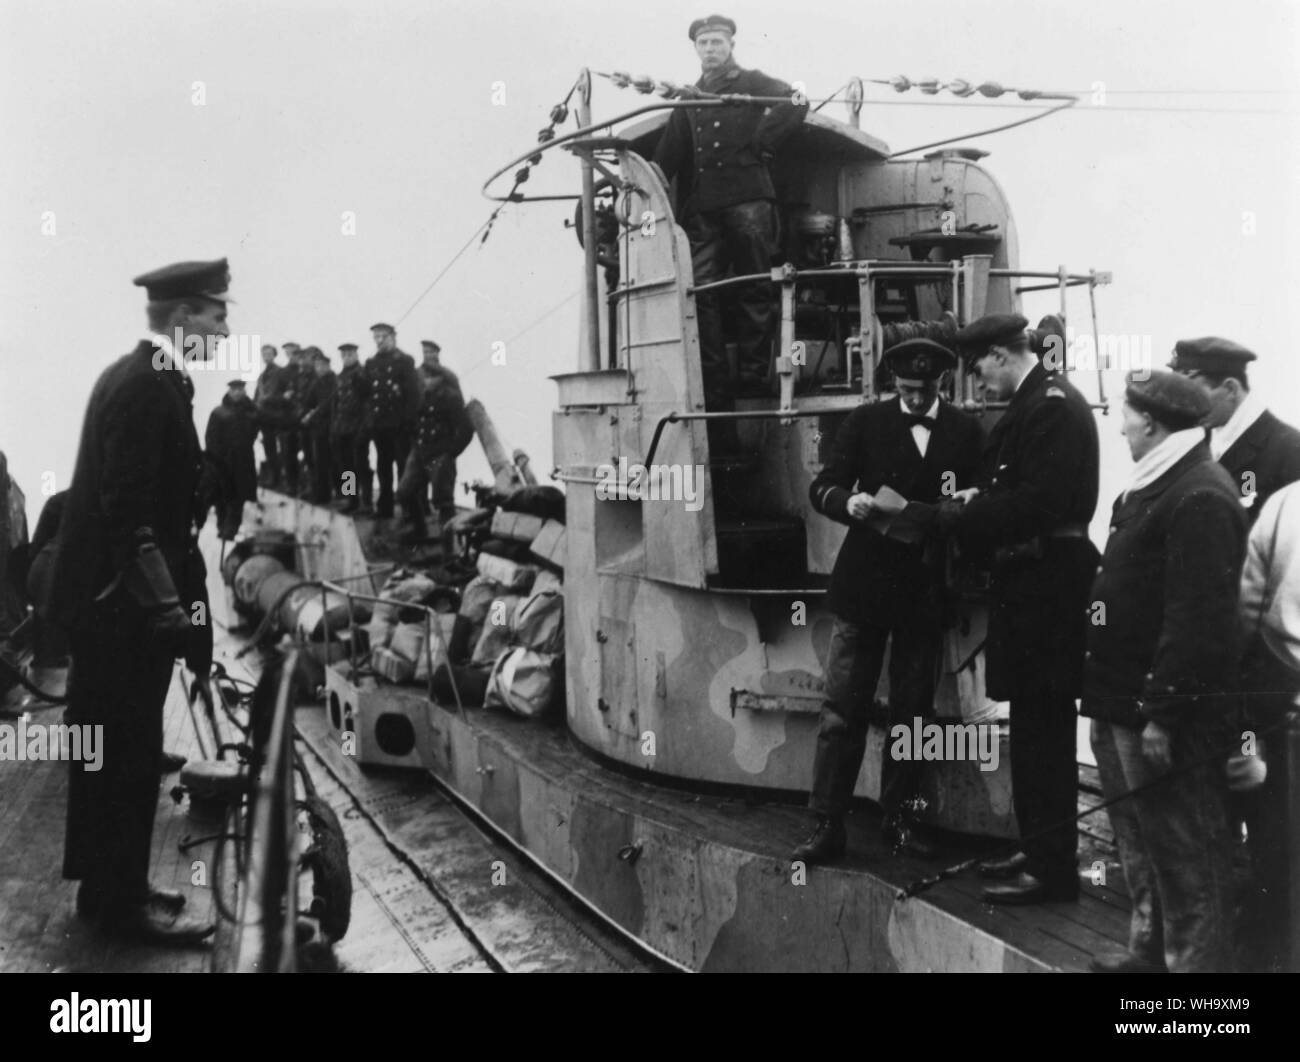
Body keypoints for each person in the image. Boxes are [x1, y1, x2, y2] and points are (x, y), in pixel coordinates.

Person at [45, 257, 228, 945]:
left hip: (109, 605)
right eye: (216, 313)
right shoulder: (150, 388)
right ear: (183, 318)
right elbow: (130, 517)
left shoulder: (141, 377)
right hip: (122, 609)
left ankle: (107, 888)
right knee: (127, 747)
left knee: (116, 746)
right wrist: (167, 612)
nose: (224, 325)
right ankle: (121, 905)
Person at [793, 339, 983, 863]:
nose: (915, 398)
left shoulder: (965, 431)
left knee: (914, 715)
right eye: (906, 389)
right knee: (842, 711)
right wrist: (845, 501)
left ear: (942, 382)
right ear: (893, 383)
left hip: (925, 589)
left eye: (924, 390)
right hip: (865, 587)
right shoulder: (866, 422)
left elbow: (980, 489)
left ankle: (900, 820)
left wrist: (972, 498)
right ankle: (827, 824)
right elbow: (824, 486)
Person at [1083, 371, 1245, 973]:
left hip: (1158, 715)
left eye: (1125, 415)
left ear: (1151, 422)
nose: (1120, 425)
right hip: (1117, 701)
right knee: (1140, 842)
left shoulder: (1199, 494)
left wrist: (1165, 715)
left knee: (1186, 856)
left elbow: (1198, 620)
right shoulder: (1149, 489)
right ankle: (1148, 954)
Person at [946, 313, 1100, 905]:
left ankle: (1052, 868)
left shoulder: (1052, 406)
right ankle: (1039, 847)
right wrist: (981, 497)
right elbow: (1017, 492)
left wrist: (962, 514)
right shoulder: (1036, 402)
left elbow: (1037, 503)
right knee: (1035, 726)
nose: (976, 381)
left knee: (1046, 730)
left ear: (1003, 355)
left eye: (977, 366)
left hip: (1048, 586)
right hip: (1032, 583)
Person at [652, 14, 807, 412]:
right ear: (696, 49)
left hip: (748, 201)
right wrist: (644, 184)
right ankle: (714, 381)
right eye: (704, 43)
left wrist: (762, 143)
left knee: (755, 285)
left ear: (730, 46)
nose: (710, 49)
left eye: (717, 42)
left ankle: (756, 375)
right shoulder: (690, 97)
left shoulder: (752, 82)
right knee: (699, 292)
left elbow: (797, 101)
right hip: (704, 209)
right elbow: (669, 152)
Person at [1235, 480, 1300, 970]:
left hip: (1279, 687)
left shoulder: (1283, 504)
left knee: (1275, 842)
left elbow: (1247, 612)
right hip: (1282, 700)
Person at [1169, 336, 1300, 521]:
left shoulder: (1290, 451)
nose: (1189, 407)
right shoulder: (1197, 440)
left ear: (1231, 388)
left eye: (1195, 396)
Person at [398, 341, 474, 543]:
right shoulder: (420, 396)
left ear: (440, 378)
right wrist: (414, 440)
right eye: (425, 378)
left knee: (443, 502)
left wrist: (450, 452)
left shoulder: (450, 397)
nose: (426, 381)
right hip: (421, 451)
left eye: (431, 378)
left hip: (439, 454)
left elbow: (466, 428)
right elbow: (412, 417)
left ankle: (448, 552)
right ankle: (420, 529)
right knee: (404, 492)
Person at [363, 322, 421, 519]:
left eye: (383, 337)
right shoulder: (371, 363)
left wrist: (408, 422)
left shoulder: (404, 361)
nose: (379, 341)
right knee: (382, 466)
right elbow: (367, 394)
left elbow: (412, 395)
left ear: (393, 337)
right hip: (379, 426)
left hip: (398, 425)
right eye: (376, 338)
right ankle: (379, 504)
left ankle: (407, 508)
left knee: (403, 466)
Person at [203, 379, 259, 540]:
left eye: (240, 389)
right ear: (229, 391)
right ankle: (223, 527)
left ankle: (231, 529)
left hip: (243, 462)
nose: (237, 392)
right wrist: (215, 460)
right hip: (223, 462)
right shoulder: (219, 412)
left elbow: (263, 424)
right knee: (221, 495)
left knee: (238, 497)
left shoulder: (251, 412)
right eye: (234, 389)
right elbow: (211, 438)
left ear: (244, 391)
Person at [417, 340, 465, 523]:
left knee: (443, 497)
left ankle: (447, 546)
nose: (428, 356)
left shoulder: (448, 377)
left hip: (440, 443)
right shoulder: (417, 374)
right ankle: (349, 495)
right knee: (411, 487)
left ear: (437, 353)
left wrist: (452, 449)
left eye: (431, 352)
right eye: (425, 352)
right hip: (421, 441)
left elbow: (460, 415)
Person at [331, 342, 371, 513]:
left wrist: (365, 427)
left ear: (356, 355)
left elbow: (367, 401)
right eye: (344, 355)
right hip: (343, 427)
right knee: (347, 466)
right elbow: (337, 403)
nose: (347, 358)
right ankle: (352, 499)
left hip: (358, 427)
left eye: (350, 354)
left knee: (361, 465)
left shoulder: (362, 374)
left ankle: (367, 501)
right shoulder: (341, 376)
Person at [302, 347, 338, 505]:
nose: (320, 368)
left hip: (337, 428)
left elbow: (331, 403)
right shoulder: (316, 383)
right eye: (317, 366)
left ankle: (348, 494)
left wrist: (314, 413)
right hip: (320, 430)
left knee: (343, 464)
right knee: (320, 463)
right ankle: (323, 495)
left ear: (328, 365)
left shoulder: (335, 381)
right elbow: (308, 403)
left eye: (323, 365)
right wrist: (307, 414)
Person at [252, 344, 286, 488]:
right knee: (269, 448)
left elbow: (282, 393)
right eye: (264, 353)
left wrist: (268, 400)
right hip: (264, 416)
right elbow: (256, 396)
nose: (266, 356)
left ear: (274, 354)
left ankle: (278, 479)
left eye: (269, 353)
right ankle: (273, 478)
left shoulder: (280, 372)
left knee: (279, 448)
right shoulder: (261, 375)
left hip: (276, 416)